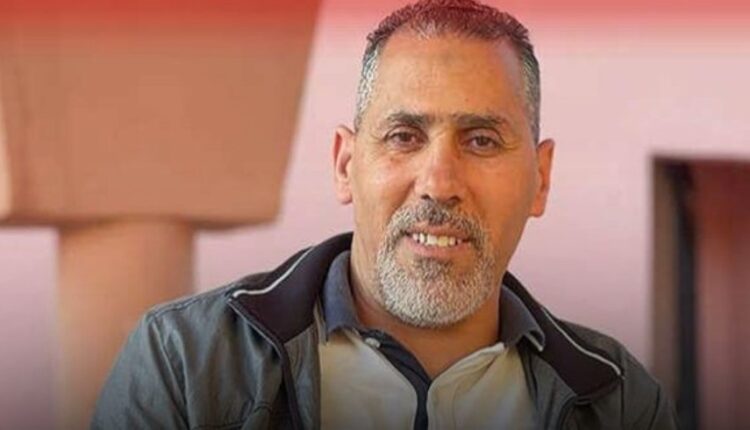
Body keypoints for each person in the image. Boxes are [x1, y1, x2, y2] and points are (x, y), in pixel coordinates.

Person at [92, 0, 678, 428]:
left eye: (480, 141)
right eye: (404, 136)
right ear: (346, 165)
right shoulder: (185, 365)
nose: (439, 184)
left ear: (540, 180)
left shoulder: (621, 401)